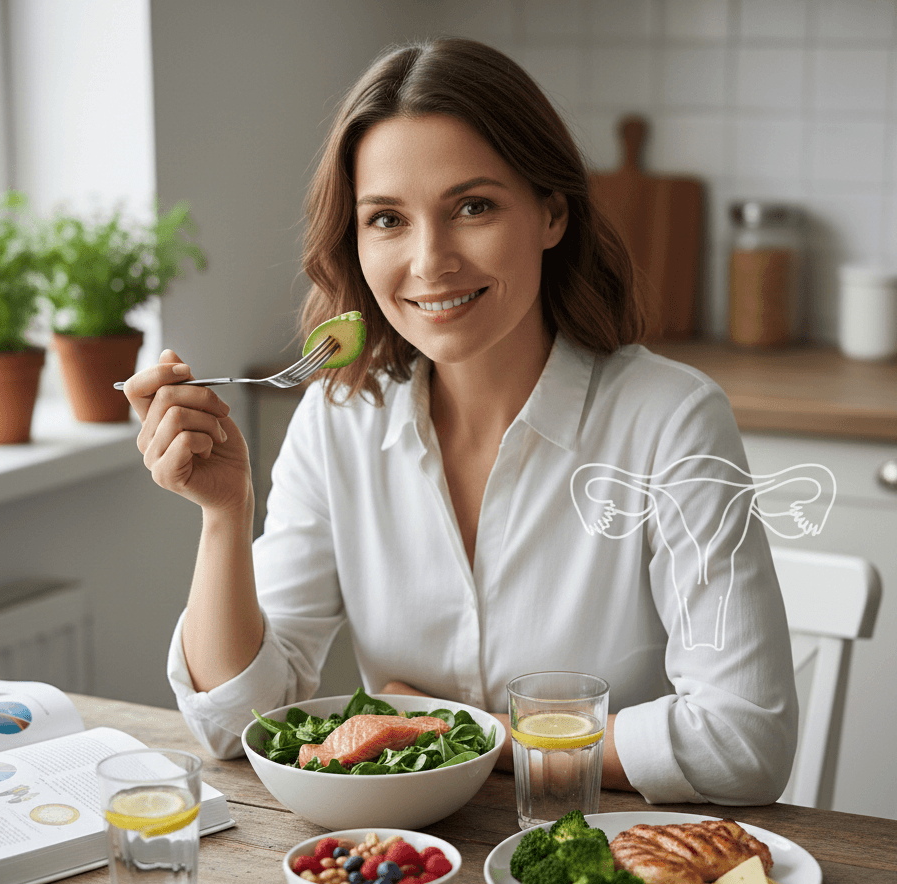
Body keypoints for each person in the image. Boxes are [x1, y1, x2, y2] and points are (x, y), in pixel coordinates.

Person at [123, 38, 797, 806]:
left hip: (613, 867)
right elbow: (235, 723)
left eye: (472, 207)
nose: (430, 260)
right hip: (403, 870)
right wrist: (223, 514)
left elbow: (745, 743)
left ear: (551, 212)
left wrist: (478, 735)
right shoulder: (339, 418)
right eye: (387, 219)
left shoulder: (672, 421)